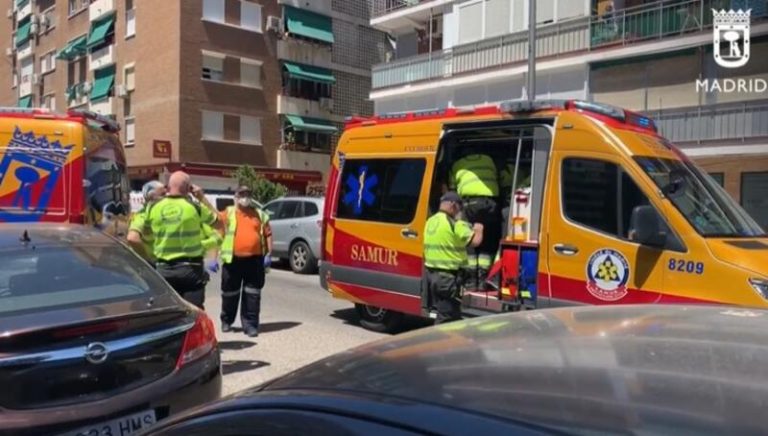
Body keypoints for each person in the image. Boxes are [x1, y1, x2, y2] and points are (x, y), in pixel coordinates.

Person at [127, 171, 220, 309]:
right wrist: (201, 197)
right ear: (188, 188)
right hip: (191, 270)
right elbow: (219, 223)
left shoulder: (150, 210)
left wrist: (149, 260)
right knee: (194, 313)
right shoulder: (194, 207)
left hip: (163, 269)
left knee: (167, 313)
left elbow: (132, 238)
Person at [214, 185, 273, 337]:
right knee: (229, 294)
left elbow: (268, 234)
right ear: (236, 196)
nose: (245, 197)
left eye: (248, 193)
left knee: (252, 295)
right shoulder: (228, 212)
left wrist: (269, 254)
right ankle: (227, 320)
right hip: (233, 261)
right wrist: (213, 257)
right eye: (242, 194)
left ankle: (251, 325)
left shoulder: (259, 214)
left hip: (254, 261)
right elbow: (218, 234)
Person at [423, 192, 483, 324]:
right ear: (453, 205)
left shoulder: (430, 221)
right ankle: (438, 342)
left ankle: (447, 342)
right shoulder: (454, 223)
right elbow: (475, 241)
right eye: (459, 207)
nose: (459, 211)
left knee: (444, 313)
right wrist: (479, 228)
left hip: (432, 276)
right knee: (447, 317)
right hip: (448, 279)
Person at [449, 148, 500, 290]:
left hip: (470, 203)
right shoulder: (488, 160)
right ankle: (484, 278)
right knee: (489, 237)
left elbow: (452, 190)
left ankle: (471, 280)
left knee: (469, 239)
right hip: (490, 203)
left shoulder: (457, 165)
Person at [128, 181, 167, 264]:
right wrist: (147, 260)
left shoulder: (163, 212)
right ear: (152, 197)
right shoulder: (143, 215)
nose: (166, 197)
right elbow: (132, 238)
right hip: (153, 264)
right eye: (163, 194)